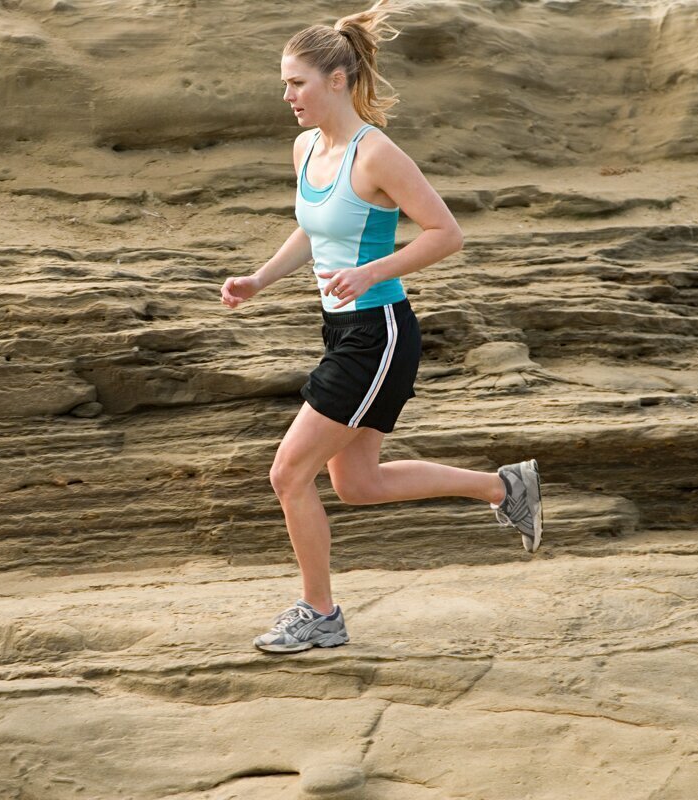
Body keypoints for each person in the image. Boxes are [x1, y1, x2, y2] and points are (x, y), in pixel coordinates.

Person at [219, 2, 544, 654]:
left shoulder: (377, 154)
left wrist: (372, 273)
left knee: (288, 474)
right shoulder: (306, 147)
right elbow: (315, 231)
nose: (287, 96)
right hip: (340, 332)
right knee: (357, 484)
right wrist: (260, 279)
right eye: (284, 83)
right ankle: (504, 487)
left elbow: (444, 234)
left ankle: (320, 614)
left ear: (335, 81)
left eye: (297, 82)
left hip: (380, 334)